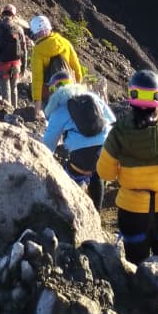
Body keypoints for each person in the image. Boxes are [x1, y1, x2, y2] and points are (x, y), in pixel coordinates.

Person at [96, 70, 158, 266]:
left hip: (132, 210)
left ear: (132, 95)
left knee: (135, 264)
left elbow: (105, 173)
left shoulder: (117, 133)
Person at [42, 69, 115, 210]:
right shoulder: (92, 97)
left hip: (82, 155)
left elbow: (48, 144)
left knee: (67, 176)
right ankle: (97, 213)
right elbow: (111, 120)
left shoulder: (60, 109)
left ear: (53, 90)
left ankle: (72, 211)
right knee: (97, 174)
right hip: (106, 148)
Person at [29, 14, 83, 109]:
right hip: (70, 89)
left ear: (35, 33)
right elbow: (76, 68)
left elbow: (37, 78)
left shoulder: (38, 51)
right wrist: (77, 87)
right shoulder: (65, 42)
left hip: (50, 93)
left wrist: (37, 104)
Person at [0, 4, 29, 109]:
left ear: (3, 14)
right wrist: (24, 67)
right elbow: (24, 50)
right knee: (14, 88)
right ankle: (15, 112)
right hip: (16, 64)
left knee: (5, 91)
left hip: (2, 65)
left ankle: (8, 114)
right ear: (13, 15)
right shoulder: (19, 29)